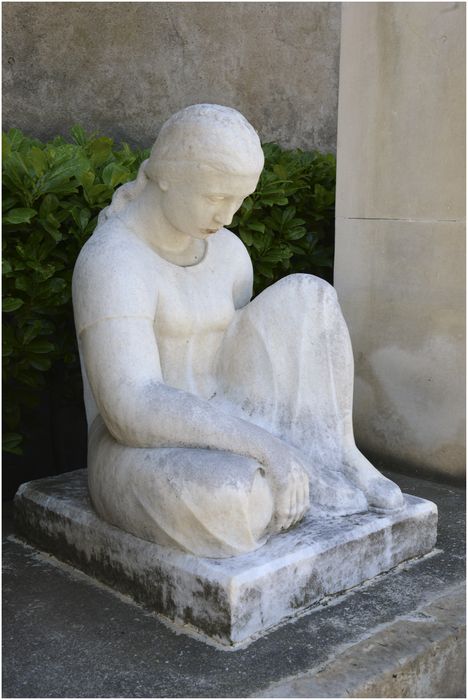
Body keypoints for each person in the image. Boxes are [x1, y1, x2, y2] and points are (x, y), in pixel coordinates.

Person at [72, 104, 403, 558]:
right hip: (138, 446)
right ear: (168, 175)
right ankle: (288, 473)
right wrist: (267, 448)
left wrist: (264, 443)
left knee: (310, 294)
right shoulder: (112, 261)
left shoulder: (229, 253)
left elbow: (240, 362)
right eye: (214, 197)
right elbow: (131, 407)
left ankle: (338, 454)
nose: (227, 215)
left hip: (231, 413)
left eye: (239, 199)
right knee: (231, 496)